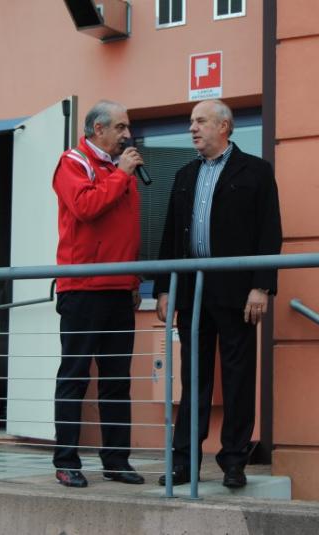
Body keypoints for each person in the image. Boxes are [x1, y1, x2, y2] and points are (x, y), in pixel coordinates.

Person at [154, 99, 282, 488]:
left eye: (201, 121)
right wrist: (163, 288)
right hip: (192, 290)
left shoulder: (256, 171)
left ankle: (233, 462)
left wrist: (261, 286)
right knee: (193, 378)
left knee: (238, 377)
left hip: (237, 290)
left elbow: (269, 231)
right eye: (191, 122)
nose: (192, 128)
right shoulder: (184, 174)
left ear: (224, 126)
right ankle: (184, 463)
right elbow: (170, 236)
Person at [51, 100, 146, 488]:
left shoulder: (120, 170)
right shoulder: (72, 162)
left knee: (117, 380)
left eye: (128, 127)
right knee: (74, 376)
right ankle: (66, 461)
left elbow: (127, 231)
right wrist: (121, 174)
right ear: (98, 129)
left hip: (119, 290)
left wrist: (134, 280)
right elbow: (85, 207)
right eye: (120, 127)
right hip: (83, 289)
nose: (128, 135)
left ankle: (116, 461)